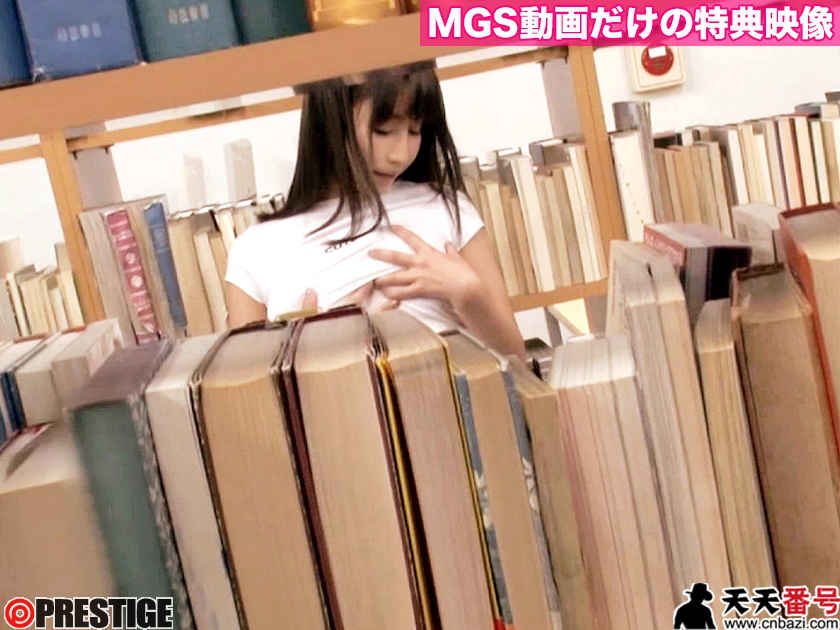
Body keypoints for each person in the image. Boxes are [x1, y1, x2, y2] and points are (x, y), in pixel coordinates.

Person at [224, 64, 525, 359]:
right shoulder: (257, 249)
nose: (400, 155)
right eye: (384, 131)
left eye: (415, 130)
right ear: (331, 120)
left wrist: (467, 293)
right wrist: (315, 351)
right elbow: (248, 387)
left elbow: (515, 359)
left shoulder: (446, 206)